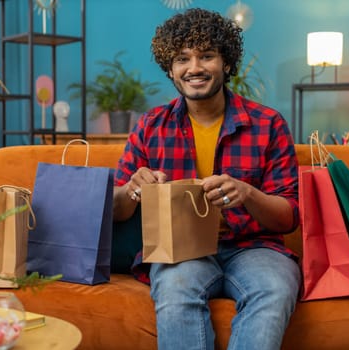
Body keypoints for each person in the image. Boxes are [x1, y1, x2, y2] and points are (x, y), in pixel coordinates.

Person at [113, 8, 301, 350]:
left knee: (274, 288)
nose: (195, 67)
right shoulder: (151, 126)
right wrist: (131, 189)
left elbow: (288, 216)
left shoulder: (268, 124)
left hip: (255, 247)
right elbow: (117, 210)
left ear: (226, 63)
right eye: (183, 58)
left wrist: (248, 194)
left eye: (207, 56)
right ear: (170, 69)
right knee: (175, 288)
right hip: (180, 250)